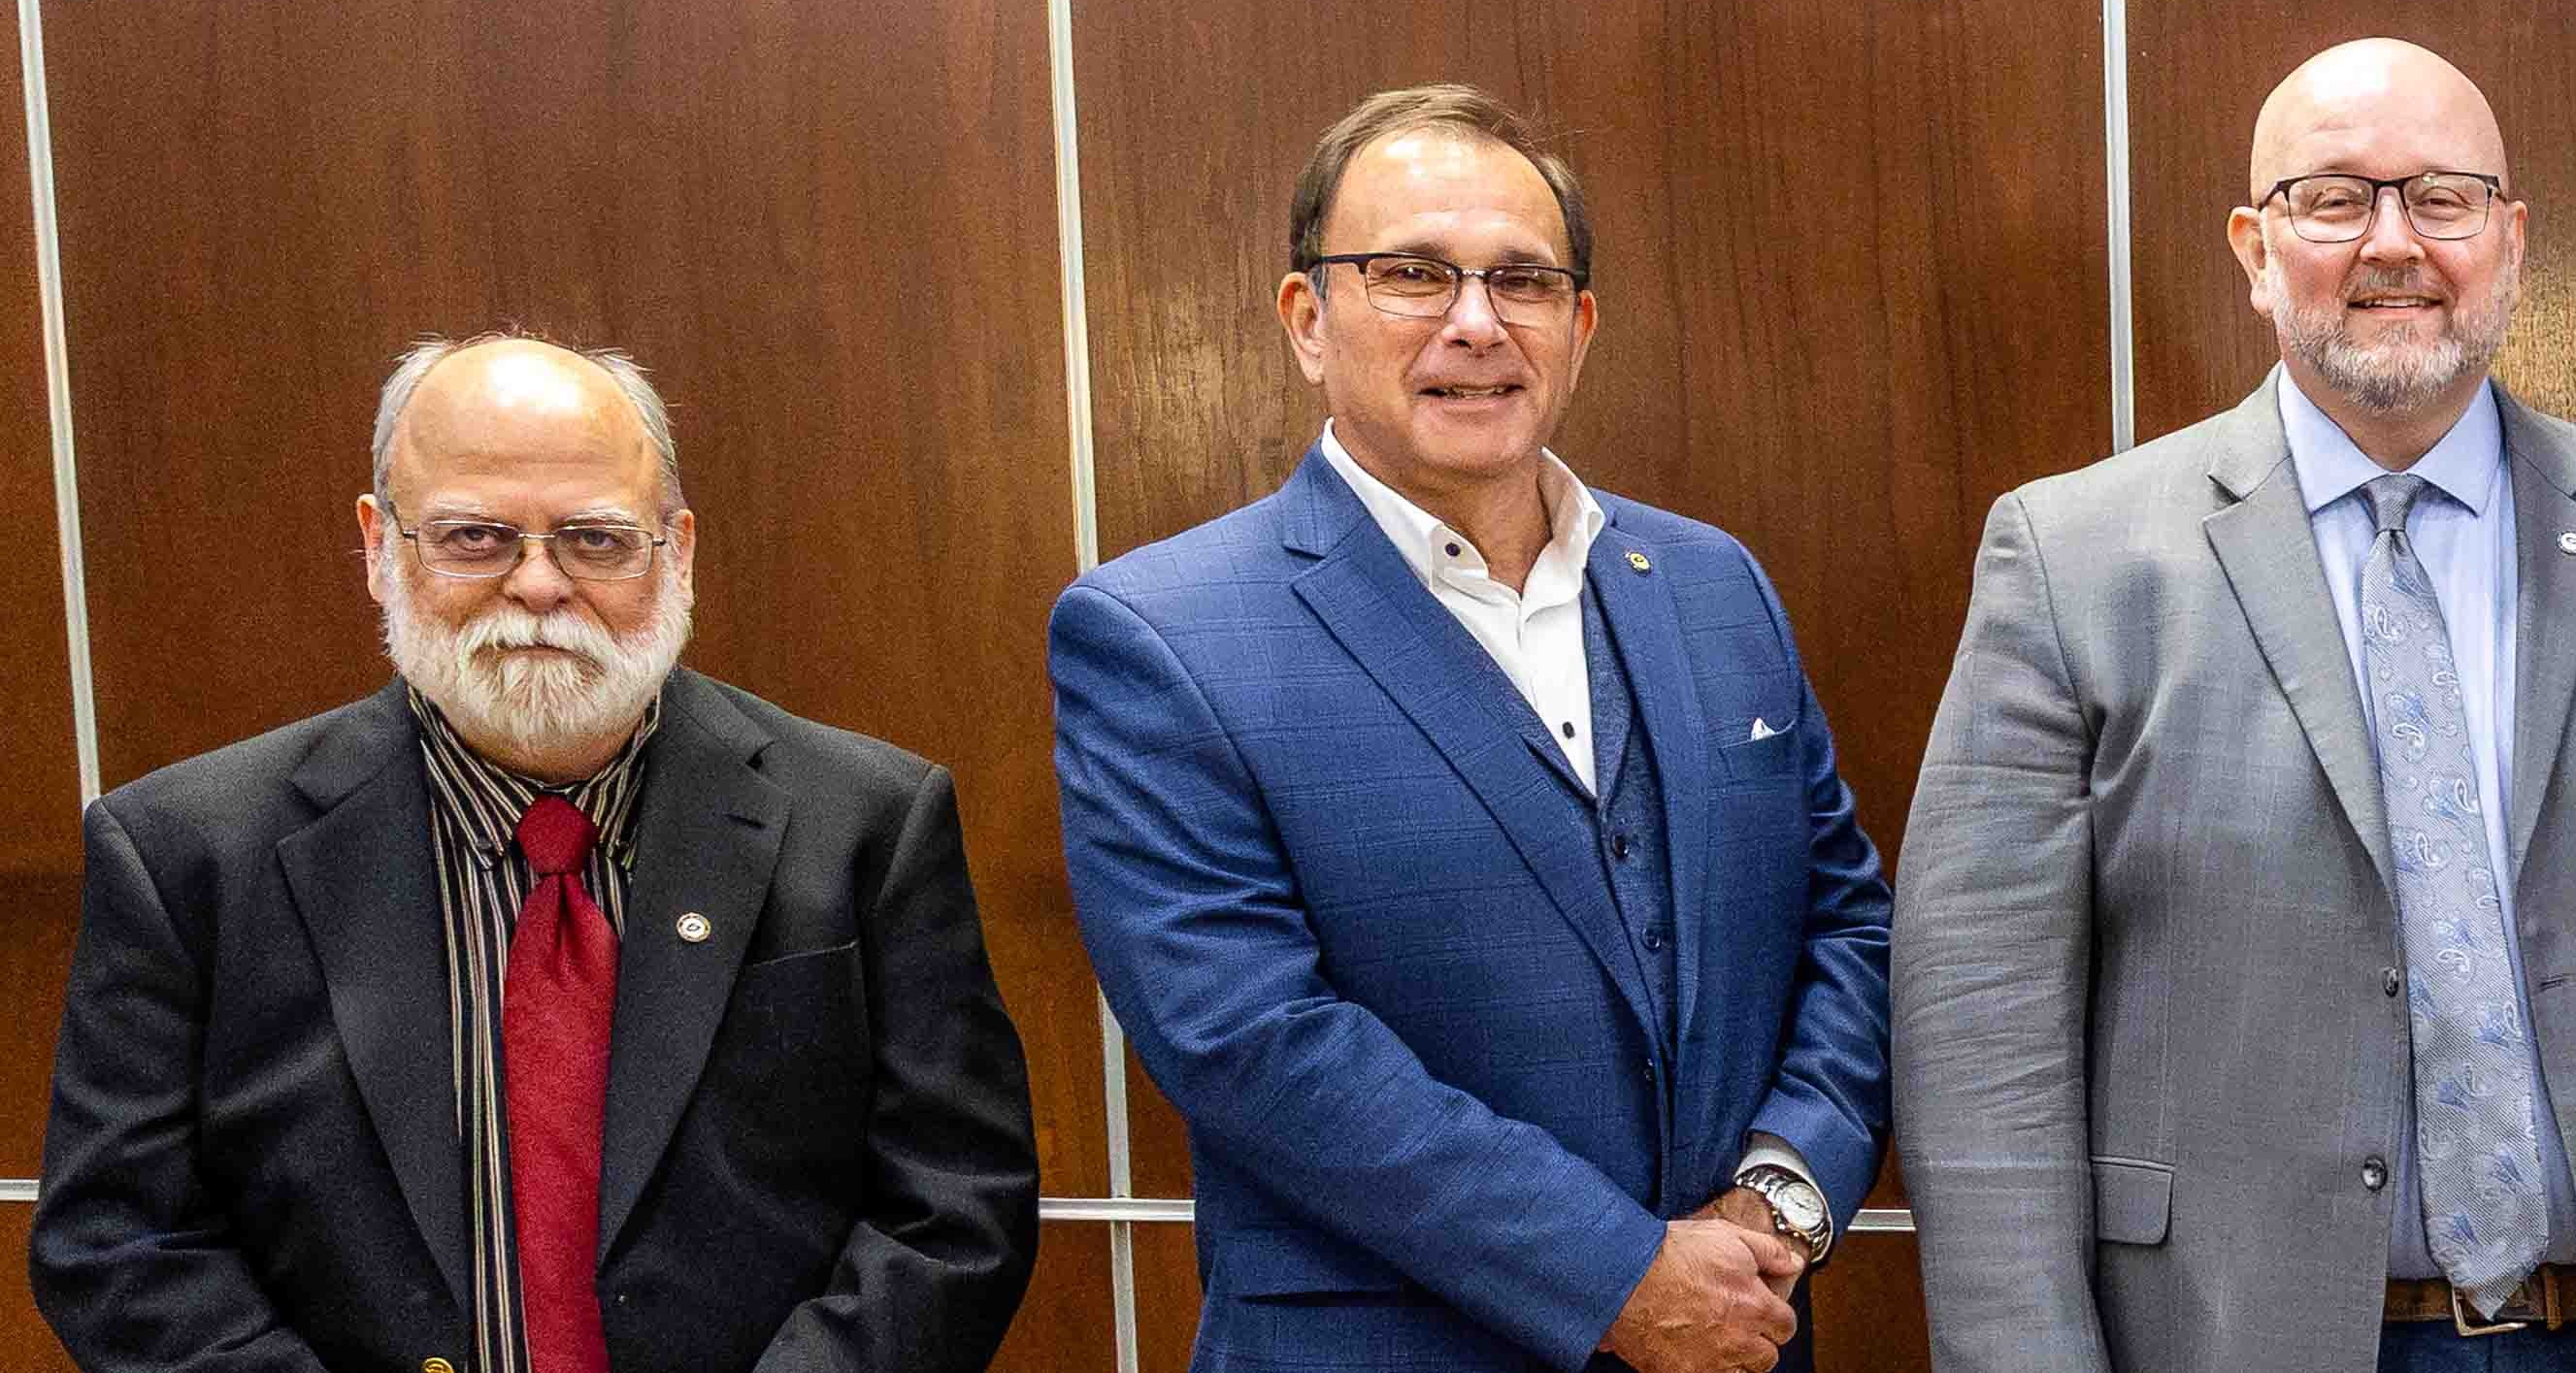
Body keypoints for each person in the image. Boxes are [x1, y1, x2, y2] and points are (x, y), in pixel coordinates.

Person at [1896, 36, 2576, 1371]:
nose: (2393, 244)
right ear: (2256, 249)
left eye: (2442, 198)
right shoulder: (2073, 563)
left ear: (2511, 239)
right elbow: (1980, 1027)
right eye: (2334, 200)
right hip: (2233, 1334)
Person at [1051, 84, 1889, 1373]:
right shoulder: (1157, 634)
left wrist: (1780, 1199)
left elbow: (1848, 921)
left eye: (1524, 280)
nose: (1476, 323)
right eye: (1412, 274)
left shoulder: (1717, 585)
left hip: (1742, 1333)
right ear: (1307, 320)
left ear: (1581, 322)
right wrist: (1620, 1280)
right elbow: (1257, 1043)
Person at [39, 333, 1039, 1373]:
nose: (538, 586)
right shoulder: (186, 852)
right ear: (381, 547)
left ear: (678, 550)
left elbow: (953, 1205)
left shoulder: (868, 823)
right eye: (475, 536)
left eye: (596, 540)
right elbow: (119, 1241)